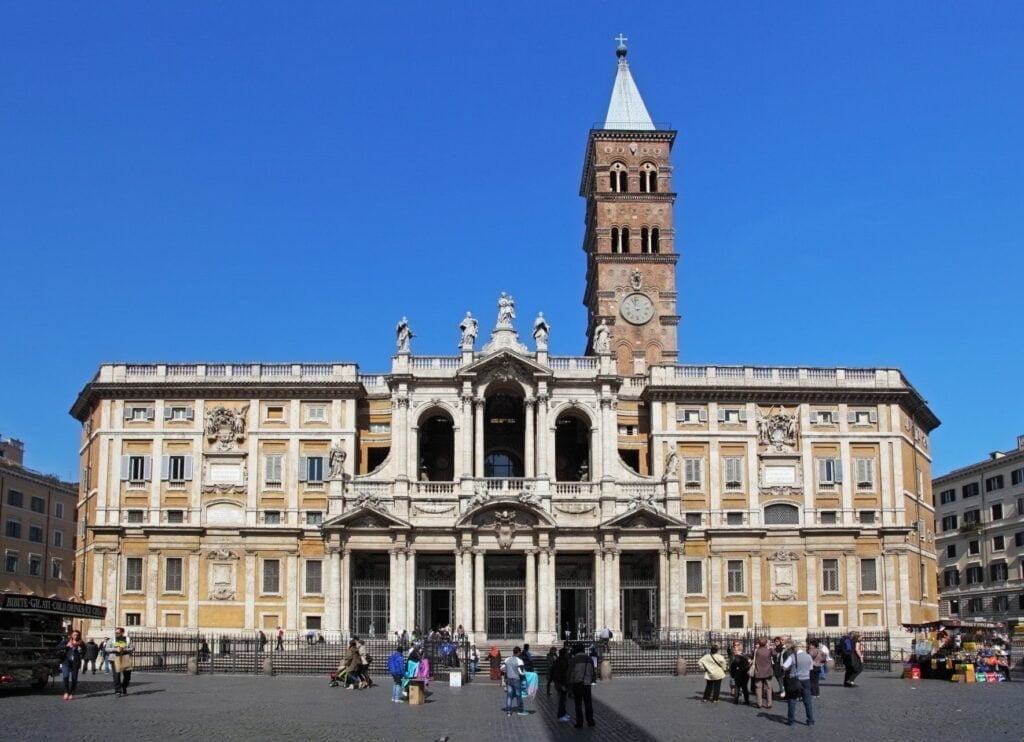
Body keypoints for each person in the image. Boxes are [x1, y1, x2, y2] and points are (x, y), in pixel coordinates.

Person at [782, 641, 815, 727]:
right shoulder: (808, 656)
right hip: (806, 680)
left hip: (794, 680)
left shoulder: (792, 656)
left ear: (796, 648)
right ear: (802, 648)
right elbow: (810, 668)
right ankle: (810, 720)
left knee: (792, 700)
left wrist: (792, 669)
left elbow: (784, 667)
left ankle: (791, 720)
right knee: (807, 701)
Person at [569, 643, 596, 728]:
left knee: (578, 704)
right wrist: (591, 680)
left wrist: (570, 683)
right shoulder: (589, 658)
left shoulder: (574, 659)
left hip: (577, 683)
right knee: (588, 703)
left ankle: (579, 722)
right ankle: (590, 721)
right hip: (587, 684)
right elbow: (593, 671)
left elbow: (570, 672)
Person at [106, 627, 134, 697]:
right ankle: (117, 691)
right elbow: (106, 648)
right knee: (116, 676)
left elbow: (132, 648)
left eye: (118, 633)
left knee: (127, 676)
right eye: (116, 632)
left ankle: (124, 687)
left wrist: (124, 649)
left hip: (125, 658)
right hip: (114, 658)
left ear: (122, 633)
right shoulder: (112, 640)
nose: (116, 634)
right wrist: (115, 649)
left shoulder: (127, 639)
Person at [58, 629, 85, 701]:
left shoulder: (81, 642)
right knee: (65, 676)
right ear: (72, 635)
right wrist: (66, 646)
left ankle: (71, 693)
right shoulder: (66, 641)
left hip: (75, 662)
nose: (75, 636)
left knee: (74, 678)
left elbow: (85, 651)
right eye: (74, 634)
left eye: (77, 635)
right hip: (66, 661)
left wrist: (81, 650)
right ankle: (66, 692)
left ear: (79, 636)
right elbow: (59, 647)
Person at [503, 646, 527, 717]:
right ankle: (520, 710)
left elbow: (502, 668)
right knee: (518, 695)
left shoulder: (507, 659)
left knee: (509, 696)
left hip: (509, 679)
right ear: (519, 652)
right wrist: (525, 673)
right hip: (516, 679)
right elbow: (521, 673)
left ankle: (508, 711)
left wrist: (507, 671)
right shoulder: (519, 661)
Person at [549, 647, 571, 722]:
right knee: (562, 699)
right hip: (561, 683)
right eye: (567, 653)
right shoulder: (561, 662)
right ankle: (560, 715)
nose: (568, 654)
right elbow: (560, 674)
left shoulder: (559, 661)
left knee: (563, 699)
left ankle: (564, 713)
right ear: (564, 654)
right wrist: (562, 685)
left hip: (560, 683)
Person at [752, 637, 774, 709]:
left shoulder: (756, 651)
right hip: (768, 672)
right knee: (768, 688)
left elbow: (753, 656)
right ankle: (769, 703)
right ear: (766, 643)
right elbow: (775, 654)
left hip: (758, 671)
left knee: (758, 687)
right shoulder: (769, 650)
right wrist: (770, 647)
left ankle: (759, 703)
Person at [728, 641, 751, 705]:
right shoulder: (743, 655)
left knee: (740, 687)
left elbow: (734, 665)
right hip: (741, 674)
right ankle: (743, 700)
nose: (735, 647)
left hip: (741, 673)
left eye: (737, 645)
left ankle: (739, 700)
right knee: (741, 687)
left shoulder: (741, 656)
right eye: (734, 645)